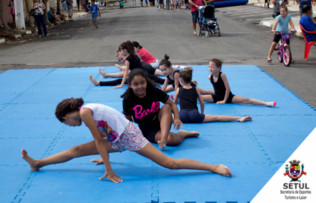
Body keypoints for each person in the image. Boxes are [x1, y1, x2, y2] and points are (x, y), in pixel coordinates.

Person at [21, 98, 232, 183]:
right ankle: (38, 163)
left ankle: (213, 167)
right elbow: (104, 134)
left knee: (170, 164)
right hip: (118, 138)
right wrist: (104, 155)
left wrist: (108, 168)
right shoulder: (87, 111)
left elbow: (97, 141)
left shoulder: (84, 114)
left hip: (129, 137)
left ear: (66, 117)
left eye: (65, 123)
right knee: (76, 149)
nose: (68, 126)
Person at [122, 69, 200, 150]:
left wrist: (176, 117)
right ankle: (182, 134)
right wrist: (131, 135)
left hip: (161, 120)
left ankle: (163, 140)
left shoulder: (153, 91)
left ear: (146, 81)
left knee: (166, 107)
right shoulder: (128, 100)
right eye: (135, 84)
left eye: (142, 82)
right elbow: (128, 121)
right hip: (148, 130)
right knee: (174, 140)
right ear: (130, 85)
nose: (140, 86)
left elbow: (172, 104)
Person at [175, 68, 252, 124]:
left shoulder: (178, 89)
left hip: (182, 116)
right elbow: (202, 103)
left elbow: (174, 104)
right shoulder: (196, 89)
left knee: (165, 116)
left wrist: (175, 115)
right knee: (216, 117)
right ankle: (239, 118)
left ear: (181, 80)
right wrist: (201, 114)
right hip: (195, 115)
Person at [201, 59, 276, 107]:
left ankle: (266, 103)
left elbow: (228, 89)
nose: (210, 69)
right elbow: (217, 89)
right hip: (216, 97)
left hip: (228, 96)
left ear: (218, 68)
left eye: (212, 67)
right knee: (199, 98)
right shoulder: (209, 77)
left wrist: (224, 100)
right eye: (209, 67)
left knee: (246, 100)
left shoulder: (222, 75)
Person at [89, 41, 168, 87]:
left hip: (140, 76)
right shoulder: (135, 55)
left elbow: (126, 73)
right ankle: (173, 77)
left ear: (124, 50)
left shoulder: (128, 59)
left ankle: (99, 83)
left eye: (121, 50)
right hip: (145, 74)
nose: (121, 52)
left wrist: (121, 84)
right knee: (163, 81)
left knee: (118, 80)